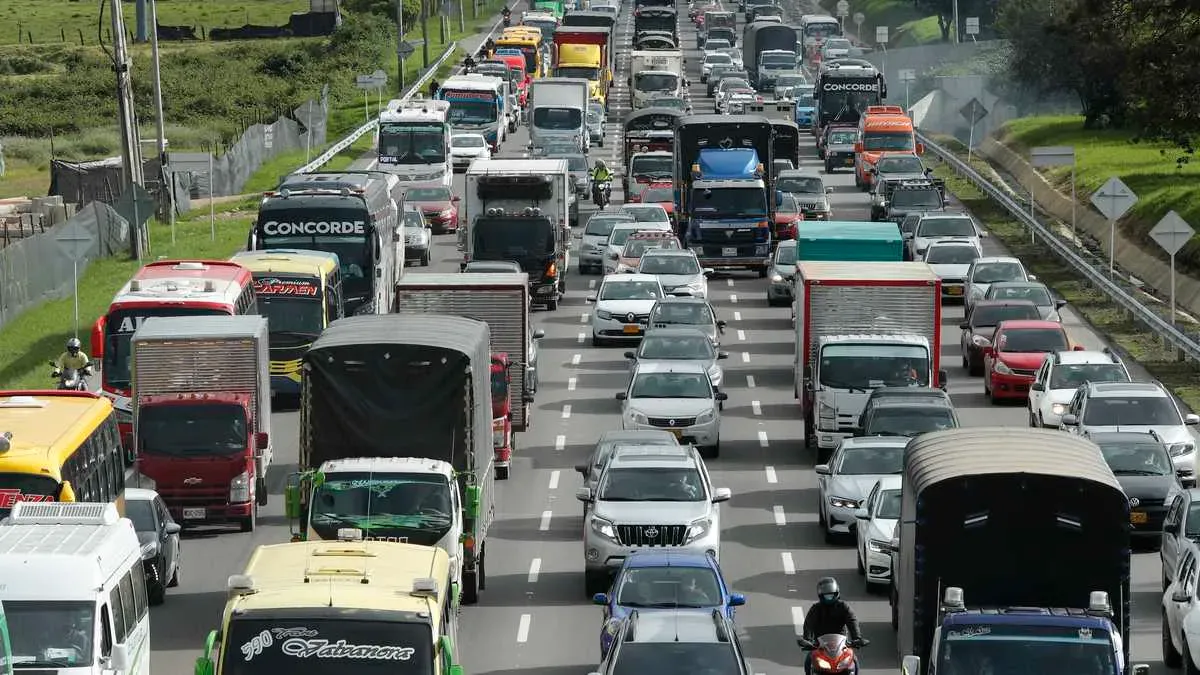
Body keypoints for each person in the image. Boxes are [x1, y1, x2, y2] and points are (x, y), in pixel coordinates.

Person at [800, 577, 866, 675]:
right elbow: (808, 624)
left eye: (831, 595)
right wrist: (807, 640)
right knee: (809, 660)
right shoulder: (815, 609)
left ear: (836, 593)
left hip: (841, 644)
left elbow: (852, 621)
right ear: (821, 595)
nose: (829, 598)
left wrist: (857, 638)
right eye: (826, 596)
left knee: (854, 661)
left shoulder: (843, 607)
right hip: (820, 645)